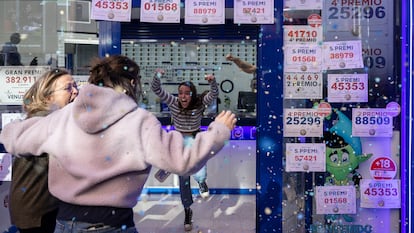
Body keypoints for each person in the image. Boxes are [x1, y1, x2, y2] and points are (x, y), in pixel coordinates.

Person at [0, 55, 237, 233]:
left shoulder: (63, 116)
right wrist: (219, 131)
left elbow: (12, 138)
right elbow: (183, 160)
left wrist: (40, 113)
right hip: (111, 223)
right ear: (132, 82)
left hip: (64, 223)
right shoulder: (139, 121)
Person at [9, 69, 79, 233]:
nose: (76, 91)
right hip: (38, 210)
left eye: (75, 85)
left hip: (33, 204)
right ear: (49, 97)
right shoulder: (46, 122)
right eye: (68, 88)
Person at [151, 70, 219, 231]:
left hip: (195, 141)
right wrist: (158, 76)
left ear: (192, 95)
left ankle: (202, 182)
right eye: (180, 93)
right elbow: (156, 89)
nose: (183, 96)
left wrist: (212, 81)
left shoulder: (200, 103)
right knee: (184, 180)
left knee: (199, 171)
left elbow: (214, 93)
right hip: (179, 143)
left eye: (187, 93)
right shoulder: (173, 102)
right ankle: (187, 210)